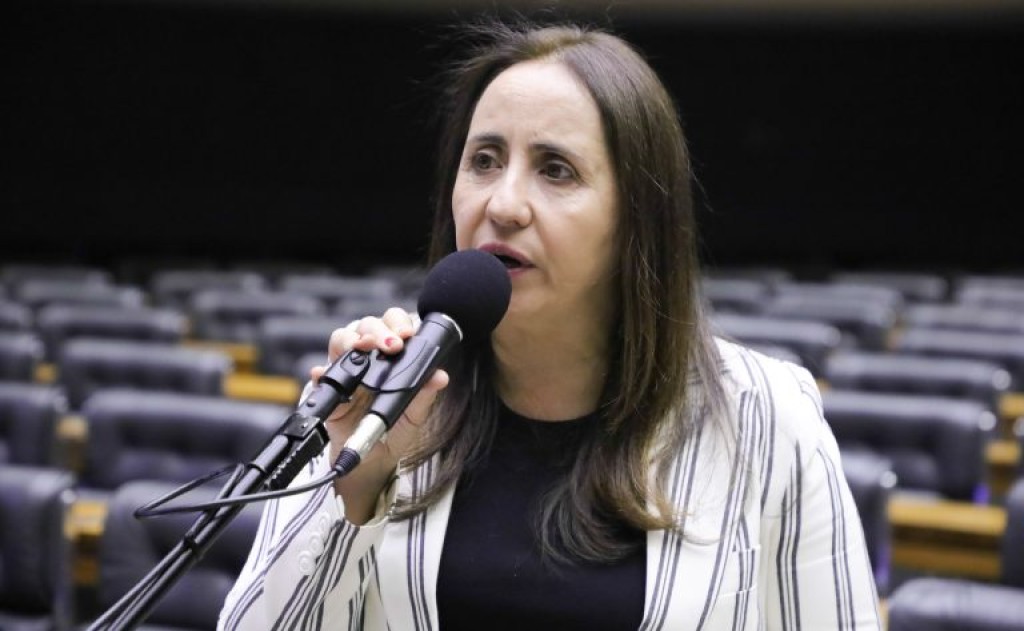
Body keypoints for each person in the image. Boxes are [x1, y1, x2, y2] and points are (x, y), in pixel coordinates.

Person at [220, 20, 881, 630]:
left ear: (637, 219)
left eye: (555, 169)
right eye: (484, 160)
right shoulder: (383, 392)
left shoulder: (766, 417)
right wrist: (356, 484)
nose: (503, 204)